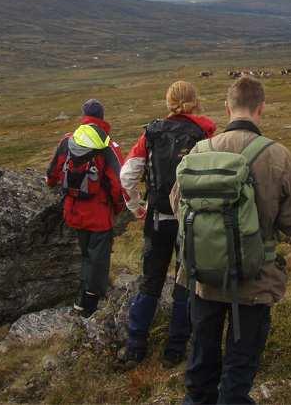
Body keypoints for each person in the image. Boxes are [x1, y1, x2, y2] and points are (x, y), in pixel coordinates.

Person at [171, 77, 291, 405]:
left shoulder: (199, 150)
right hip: (255, 278)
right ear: (261, 108)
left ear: (227, 108)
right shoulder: (277, 155)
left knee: (201, 361)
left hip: (202, 276)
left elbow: (176, 204)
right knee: (240, 365)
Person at [119, 81, 216, 368]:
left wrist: (138, 208)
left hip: (158, 217)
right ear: (195, 101)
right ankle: (175, 350)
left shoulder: (151, 133)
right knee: (185, 284)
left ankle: (135, 346)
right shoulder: (206, 133)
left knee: (150, 283)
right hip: (192, 219)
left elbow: (126, 177)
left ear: (168, 101)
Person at [45, 99, 124, 317]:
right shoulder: (108, 145)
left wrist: (53, 184)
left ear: (84, 116)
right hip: (99, 215)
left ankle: (84, 295)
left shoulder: (68, 140)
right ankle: (88, 304)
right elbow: (119, 184)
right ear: (102, 117)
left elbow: (52, 174)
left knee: (85, 256)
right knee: (97, 259)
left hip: (73, 211)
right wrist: (117, 208)